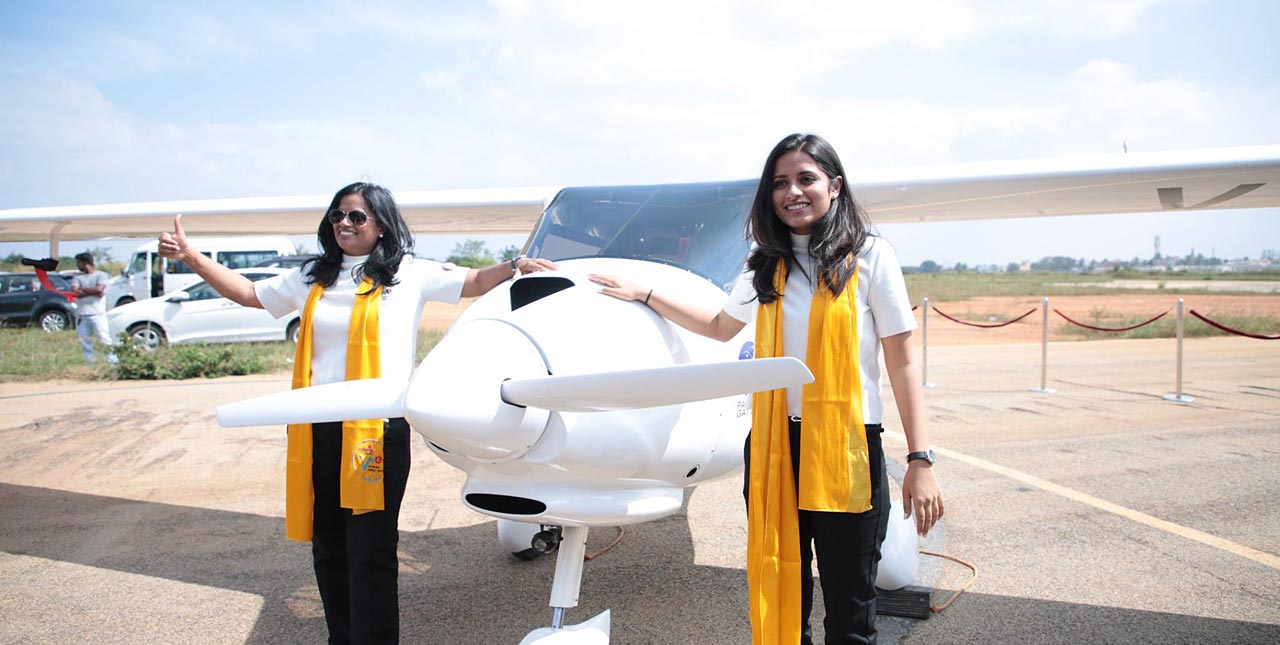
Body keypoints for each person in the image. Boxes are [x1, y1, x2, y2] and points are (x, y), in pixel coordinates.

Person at [159, 181, 555, 644]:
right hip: (317, 428)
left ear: (381, 224)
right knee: (329, 546)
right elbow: (250, 294)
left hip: (374, 432)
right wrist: (191, 257)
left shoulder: (407, 272)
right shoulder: (314, 277)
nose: (344, 224)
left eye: (356, 216)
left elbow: (471, 282)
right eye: (337, 216)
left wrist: (514, 266)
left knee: (370, 547)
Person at [590, 133, 942, 645]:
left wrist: (920, 459)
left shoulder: (869, 255)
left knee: (851, 607)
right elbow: (719, 324)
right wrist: (645, 293)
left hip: (846, 448)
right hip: (777, 446)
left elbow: (903, 359)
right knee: (779, 586)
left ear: (835, 186)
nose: (792, 192)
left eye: (806, 179)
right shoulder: (766, 259)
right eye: (780, 183)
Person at [69, 252, 117, 365]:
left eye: (78, 263)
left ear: (85, 263)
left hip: (97, 313)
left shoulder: (101, 275)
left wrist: (83, 289)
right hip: (81, 314)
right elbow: (75, 292)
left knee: (104, 339)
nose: (77, 265)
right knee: (85, 341)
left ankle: (112, 362)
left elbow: (99, 289)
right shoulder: (77, 277)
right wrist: (93, 291)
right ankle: (90, 364)